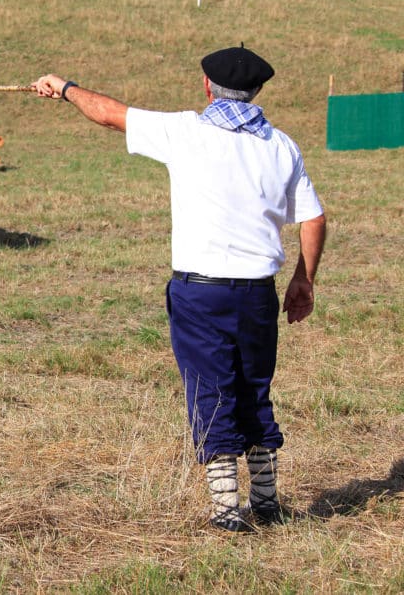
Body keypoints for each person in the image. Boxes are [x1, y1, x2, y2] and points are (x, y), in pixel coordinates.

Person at [32, 46, 326, 532]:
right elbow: (312, 216)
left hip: (200, 292)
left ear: (208, 87)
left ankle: (228, 509)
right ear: (256, 91)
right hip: (257, 292)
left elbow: (108, 113)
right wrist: (304, 279)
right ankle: (268, 502)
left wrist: (63, 88)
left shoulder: (187, 131)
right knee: (254, 388)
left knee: (210, 388)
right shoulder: (281, 146)